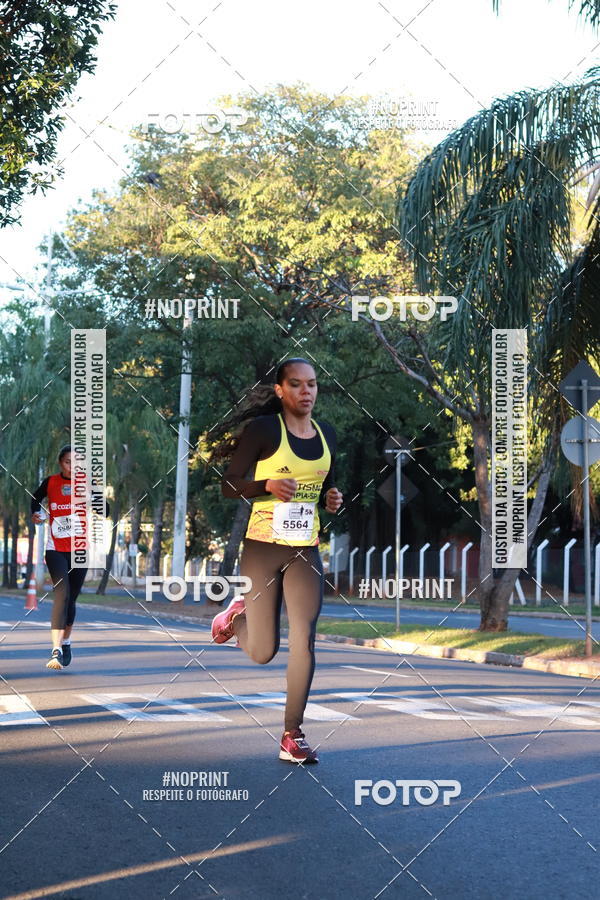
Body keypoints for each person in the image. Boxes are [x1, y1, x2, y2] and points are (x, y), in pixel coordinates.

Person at [212, 358, 343, 764]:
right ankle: (237, 620)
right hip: (263, 548)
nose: (307, 391)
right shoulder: (264, 431)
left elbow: (325, 487)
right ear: (280, 391)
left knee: (304, 636)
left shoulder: (329, 435)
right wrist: (265, 484)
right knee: (263, 651)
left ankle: (292, 735)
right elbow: (228, 485)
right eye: (297, 385)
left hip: (305, 547)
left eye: (313, 385)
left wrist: (332, 500)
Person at [31, 445, 109, 670]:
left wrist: (92, 499)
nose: (72, 466)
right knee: (61, 595)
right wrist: (36, 514)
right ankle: (55, 649)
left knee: (72, 599)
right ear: (61, 463)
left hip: (80, 550)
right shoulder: (51, 482)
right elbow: (35, 499)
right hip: (55, 548)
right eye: (68, 462)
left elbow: (105, 510)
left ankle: (66, 642)